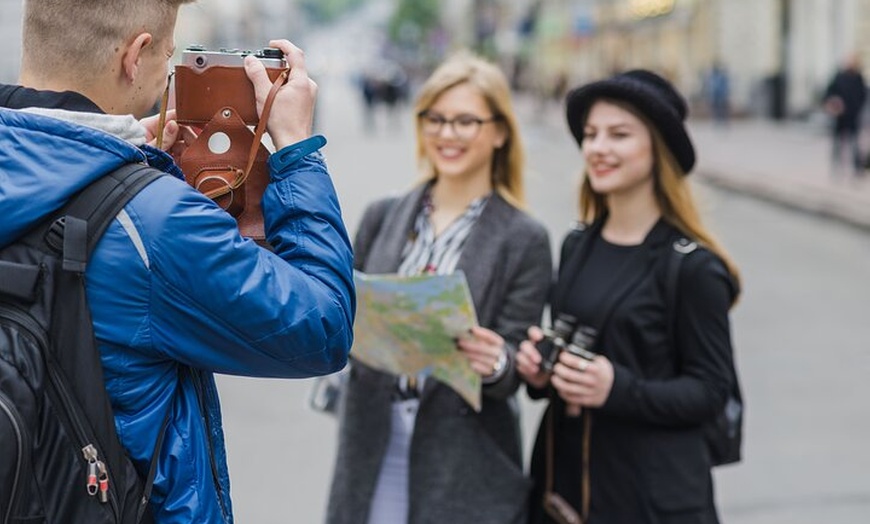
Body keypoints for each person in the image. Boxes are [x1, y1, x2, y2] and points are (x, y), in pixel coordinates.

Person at [0, 1, 354, 522]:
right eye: (168, 57)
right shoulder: (155, 219)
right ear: (135, 55)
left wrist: (124, 163)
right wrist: (298, 150)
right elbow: (322, 326)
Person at [327, 51, 552, 524]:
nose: (447, 134)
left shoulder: (523, 238)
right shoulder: (383, 216)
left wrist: (497, 361)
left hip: (464, 457)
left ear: (500, 132)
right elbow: (345, 313)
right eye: (436, 119)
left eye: (466, 121)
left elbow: (514, 360)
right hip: (372, 440)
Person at [516, 70, 741, 524]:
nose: (598, 148)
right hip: (564, 486)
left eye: (619, 135)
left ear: (659, 148)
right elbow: (577, 350)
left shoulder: (692, 267)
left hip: (650, 498)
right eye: (591, 134)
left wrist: (618, 389)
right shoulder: (578, 244)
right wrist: (542, 372)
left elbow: (712, 392)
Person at [823, 53, 867, 177]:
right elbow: (829, 93)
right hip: (840, 116)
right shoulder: (839, 76)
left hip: (853, 116)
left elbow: (863, 95)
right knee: (837, 144)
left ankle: (857, 169)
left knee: (854, 143)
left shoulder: (858, 77)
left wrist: (857, 109)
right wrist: (834, 104)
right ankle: (835, 168)